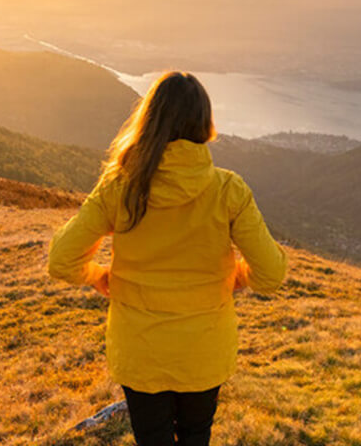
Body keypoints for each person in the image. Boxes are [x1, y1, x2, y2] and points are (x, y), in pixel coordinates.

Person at [47, 71, 287, 446]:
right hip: (204, 352)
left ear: (150, 119)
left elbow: (60, 260)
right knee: (195, 437)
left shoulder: (120, 188)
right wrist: (235, 277)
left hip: (140, 352)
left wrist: (98, 276)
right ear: (205, 123)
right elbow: (271, 274)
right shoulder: (228, 191)